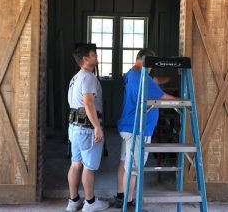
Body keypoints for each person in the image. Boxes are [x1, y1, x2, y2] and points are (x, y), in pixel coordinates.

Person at [114, 49, 177, 210]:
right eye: (151, 65)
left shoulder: (132, 74)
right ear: (144, 61)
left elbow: (154, 80)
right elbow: (162, 97)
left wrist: (173, 75)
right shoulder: (141, 76)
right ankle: (128, 204)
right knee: (133, 168)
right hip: (137, 130)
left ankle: (121, 197)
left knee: (124, 162)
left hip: (127, 126)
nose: (151, 69)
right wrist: (185, 102)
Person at [66, 44, 109, 212]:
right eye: (94, 54)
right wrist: (97, 127)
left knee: (76, 164)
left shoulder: (76, 77)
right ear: (85, 59)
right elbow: (88, 103)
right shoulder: (89, 77)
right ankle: (90, 203)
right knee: (89, 167)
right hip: (87, 128)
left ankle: (73, 201)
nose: (97, 56)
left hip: (74, 127)